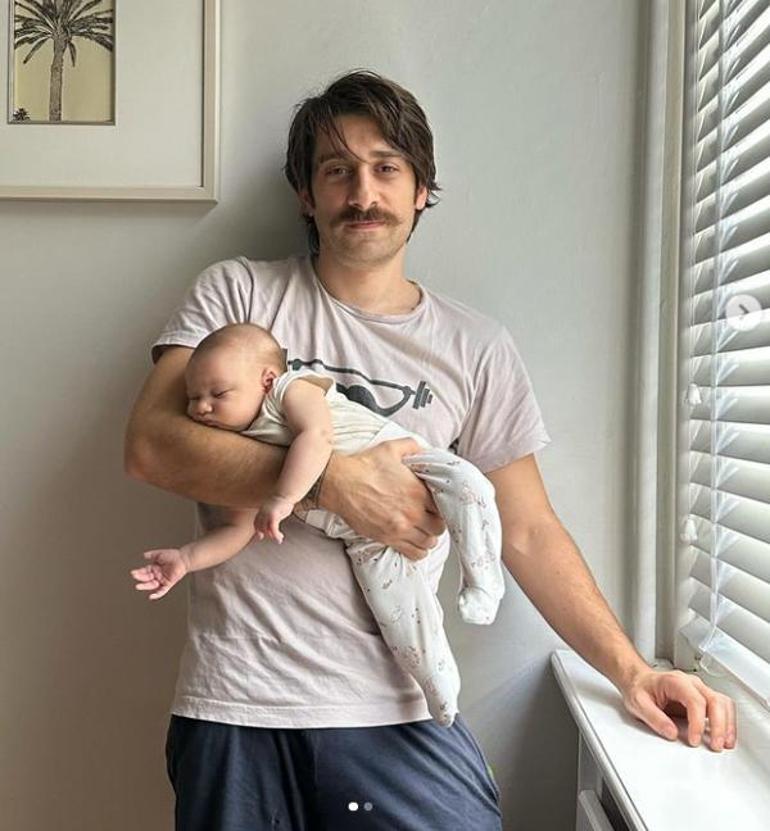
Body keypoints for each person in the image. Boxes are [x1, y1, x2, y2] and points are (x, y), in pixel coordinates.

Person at [124, 69, 737, 830]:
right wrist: (333, 484)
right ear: (305, 195)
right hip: (238, 704)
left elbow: (527, 530)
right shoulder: (239, 297)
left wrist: (633, 670)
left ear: (421, 189)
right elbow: (151, 445)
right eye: (337, 170)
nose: (363, 193)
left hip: (400, 705)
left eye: (387, 168)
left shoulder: (476, 347)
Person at [131, 321, 507, 728]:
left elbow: (317, 435)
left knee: (469, 486)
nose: (201, 408)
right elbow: (238, 530)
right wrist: (186, 560)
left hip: (408, 463)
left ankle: (482, 579)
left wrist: (283, 498)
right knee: (401, 613)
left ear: (266, 379)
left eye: (218, 394)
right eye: (193, 398)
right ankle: (437, 683)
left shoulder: (289, 390)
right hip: (362, 539)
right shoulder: (240, 450)